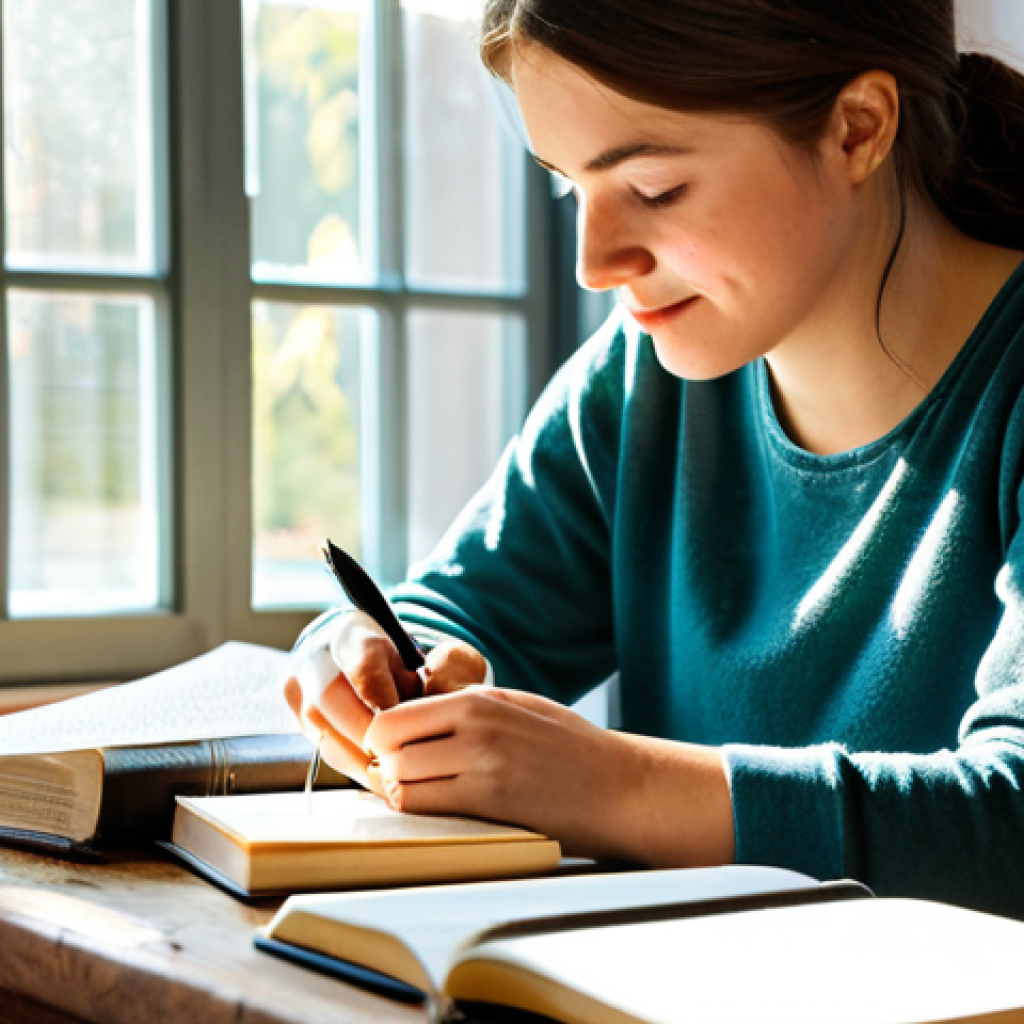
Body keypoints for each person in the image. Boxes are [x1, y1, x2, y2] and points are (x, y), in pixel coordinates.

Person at [282, 0, 1024, 918]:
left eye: (655, 189)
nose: (593, 262)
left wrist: (613, 788)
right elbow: (450, 613)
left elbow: (1011, 820)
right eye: (566, 187)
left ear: (857, 129)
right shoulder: (644, 377)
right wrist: (358, 659)